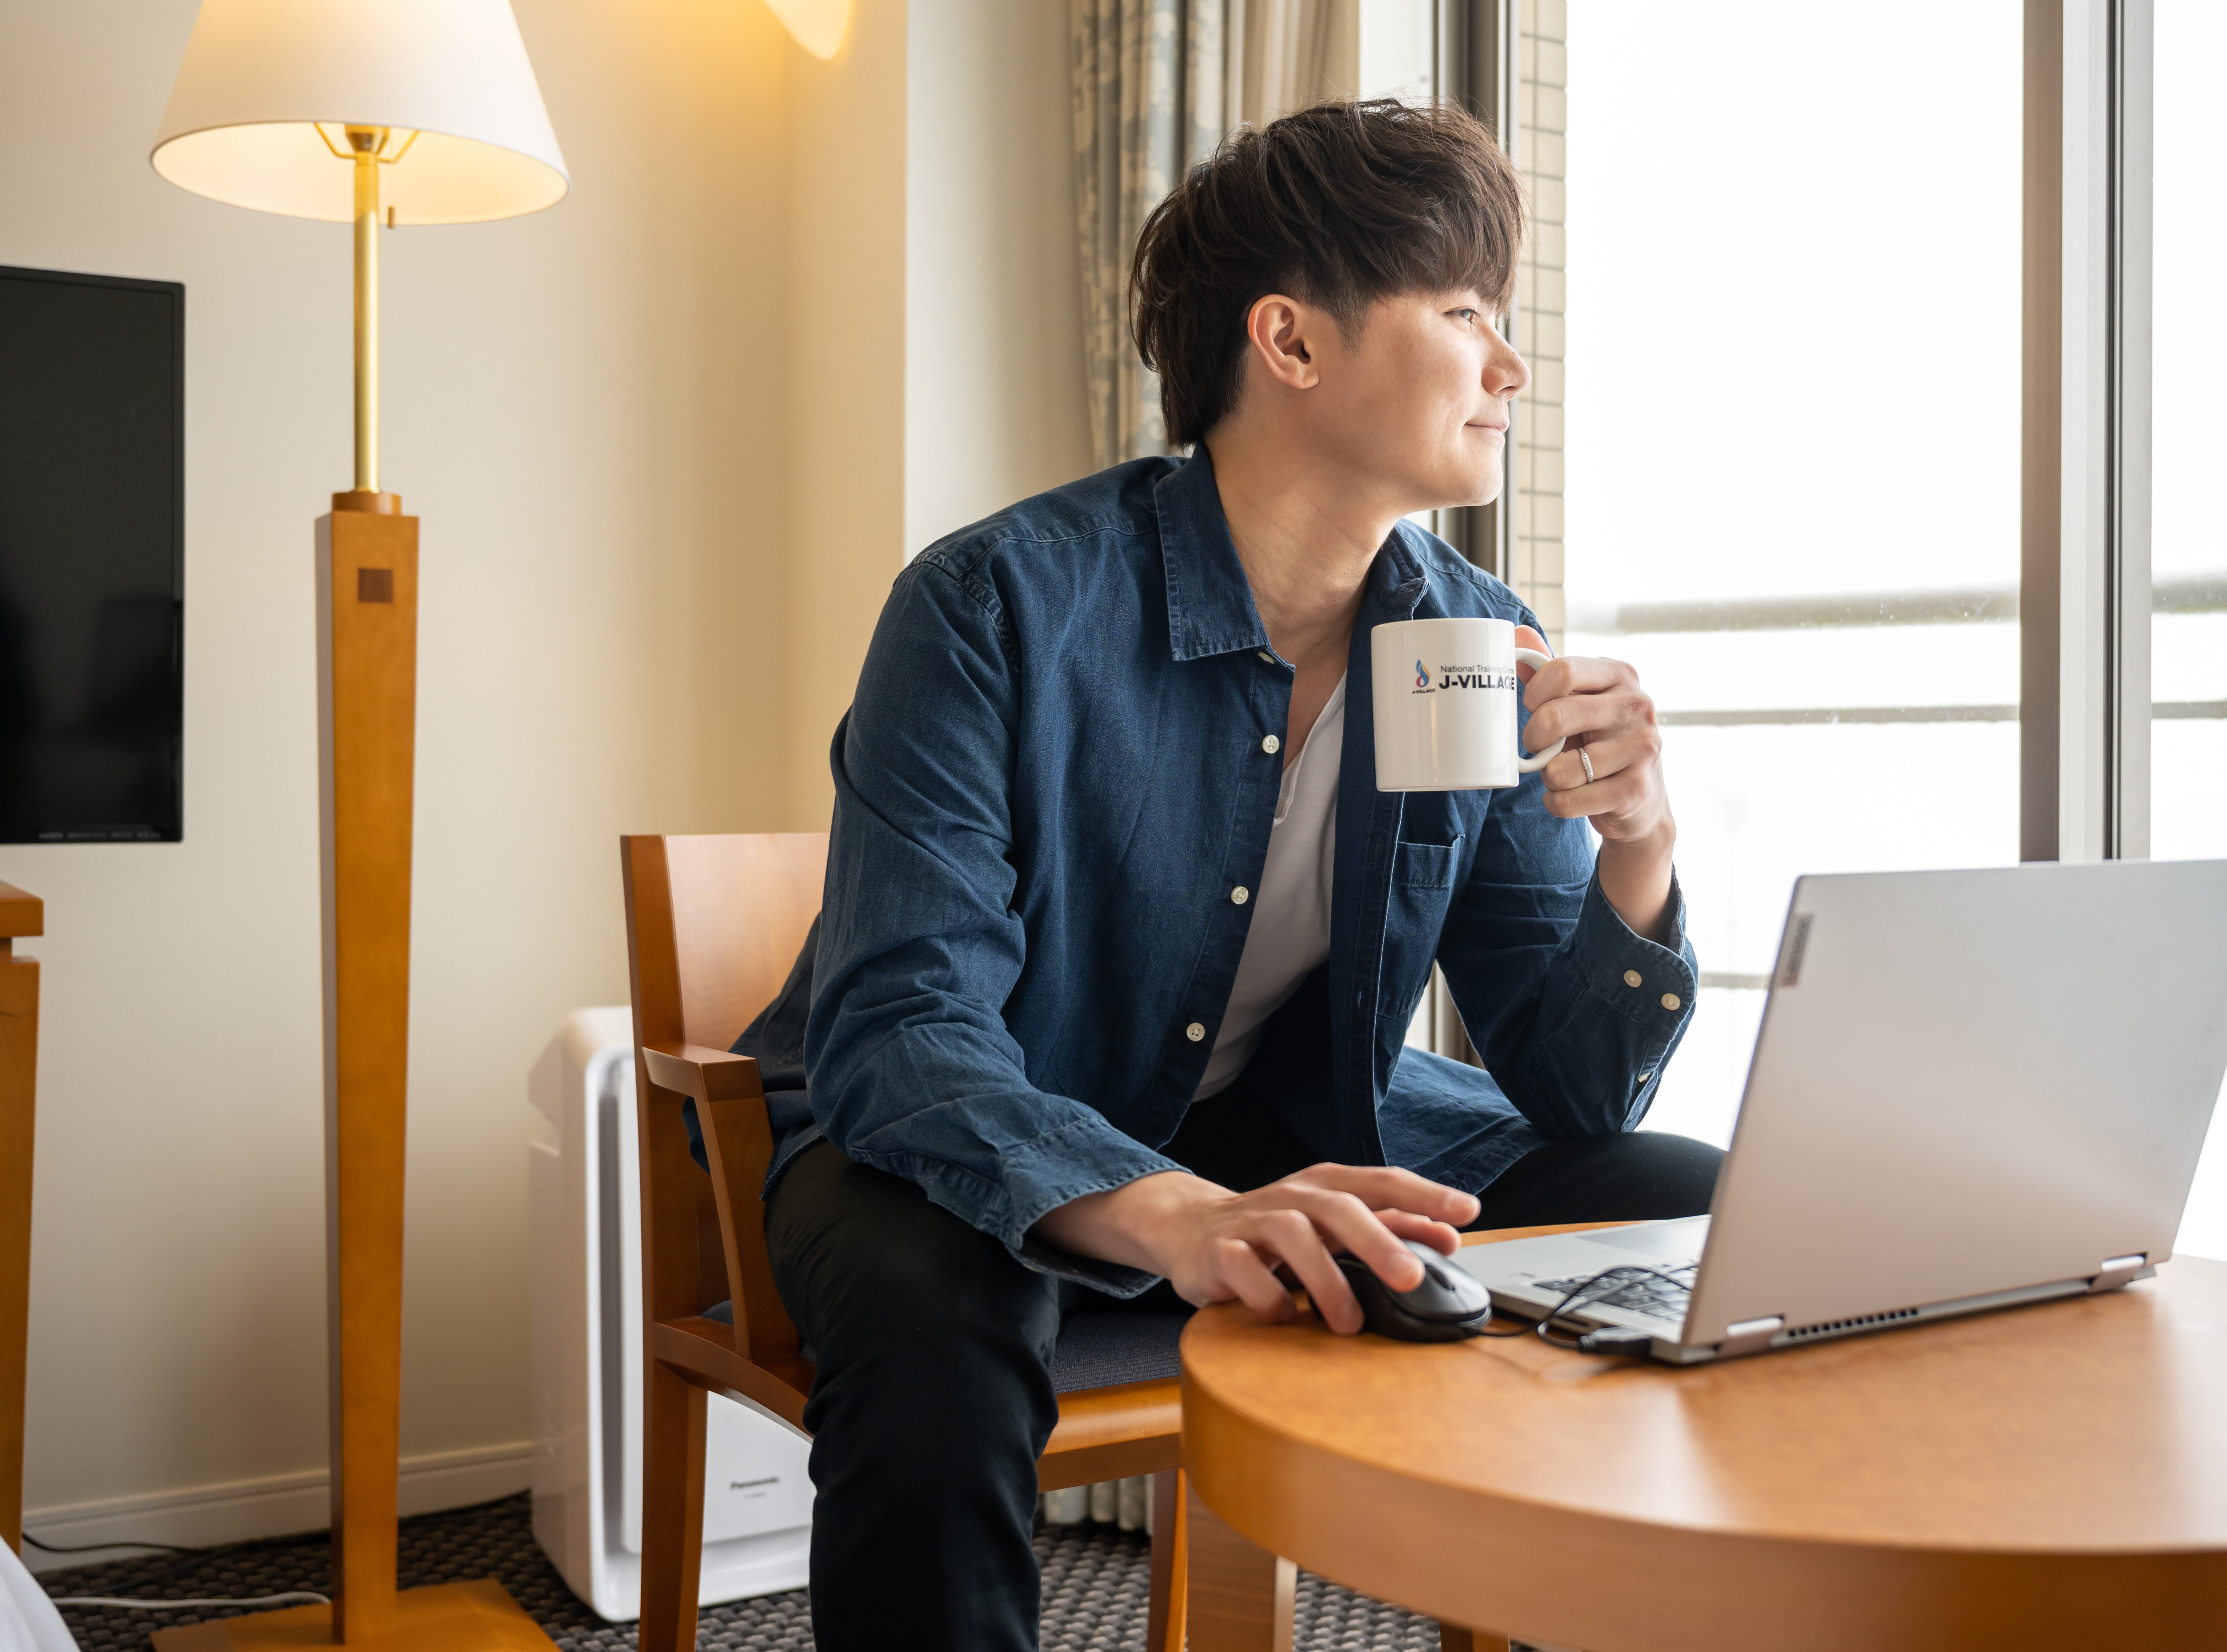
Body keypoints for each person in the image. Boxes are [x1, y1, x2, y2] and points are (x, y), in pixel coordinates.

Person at [727, 98, 1716, 1650]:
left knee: (1693, 1217)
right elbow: (907, 1034)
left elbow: (1580, 1089)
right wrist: (1181, 1212)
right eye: (1466, 315)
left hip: (1290, 1125)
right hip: (937, 1130)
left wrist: (1641, 845)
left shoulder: (1466, 641)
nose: (1509, 368)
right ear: (1292, 344)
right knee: (938, 1318)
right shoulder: (992, 606)